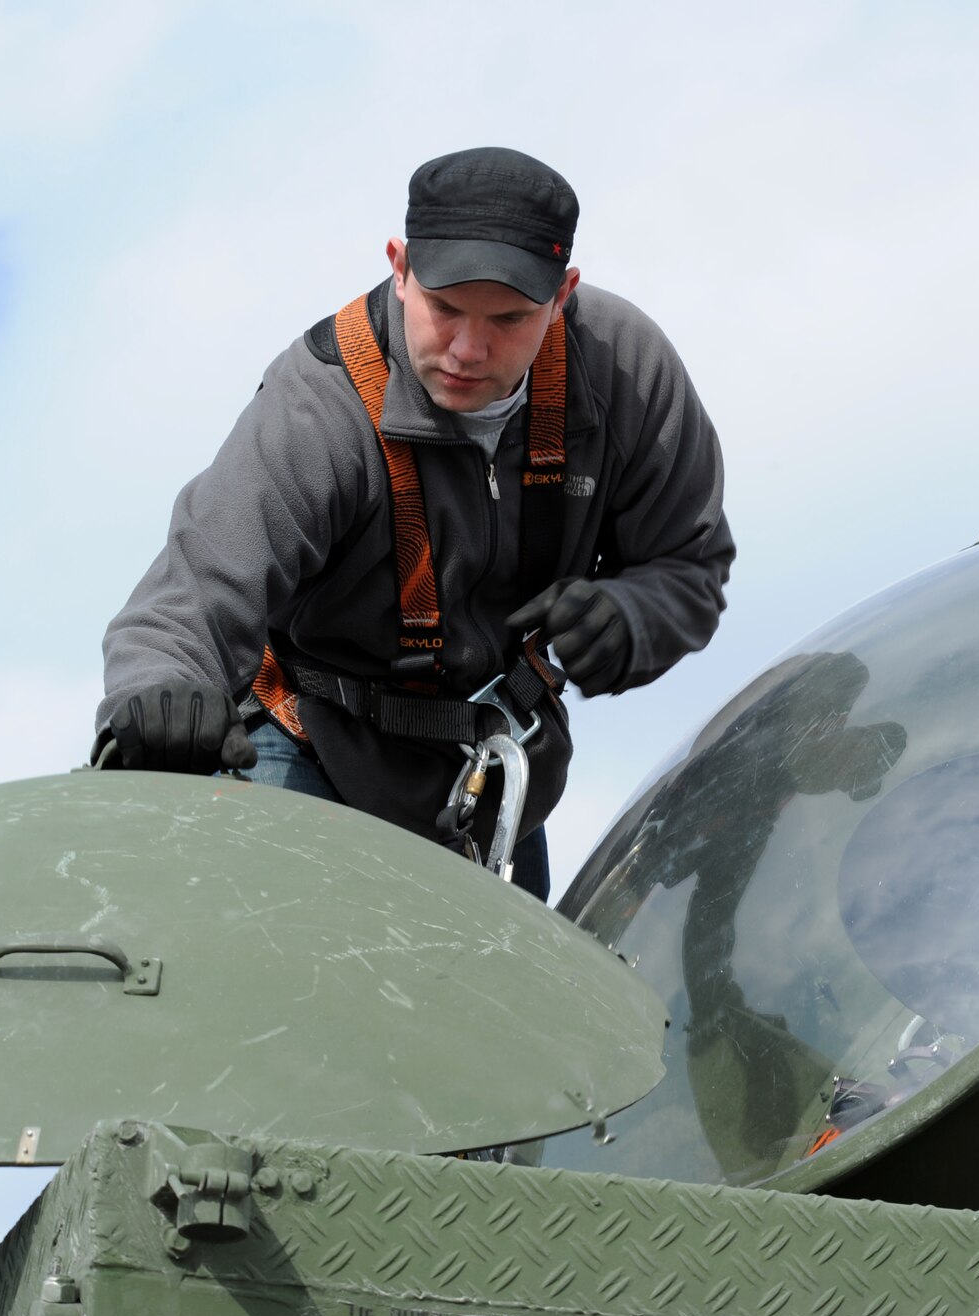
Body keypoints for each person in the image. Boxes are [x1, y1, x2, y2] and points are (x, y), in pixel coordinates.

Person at [93, 147, 733, 900]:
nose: (468, 348)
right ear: (400, 267)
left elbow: (689, 566)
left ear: (562, 295)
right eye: (446, 307)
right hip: (310, 749)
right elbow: (187, 600)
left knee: (505, 1017)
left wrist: (629, 616)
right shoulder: (319, 406)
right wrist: (162, 693)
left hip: (491, 781)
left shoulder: (625, 371)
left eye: (508, 319)